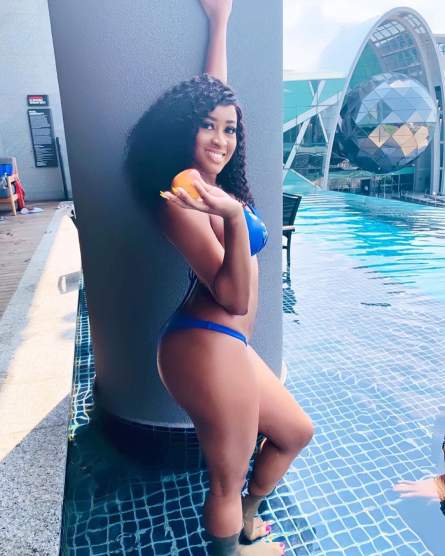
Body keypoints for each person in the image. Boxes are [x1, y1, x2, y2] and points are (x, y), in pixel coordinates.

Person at [125, 1, 314, 554]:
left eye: (229, 129)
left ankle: (249, 521)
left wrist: (219, 22)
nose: (220, 138)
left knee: (294, 432)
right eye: (206, 126)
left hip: (228, 345)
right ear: (183, 129)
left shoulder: (211, 182)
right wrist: (233, 217)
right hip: (206, 343)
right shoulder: (182, 194)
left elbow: (215, 95)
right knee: (226, 481)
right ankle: (236, 537)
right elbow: (232, 297)